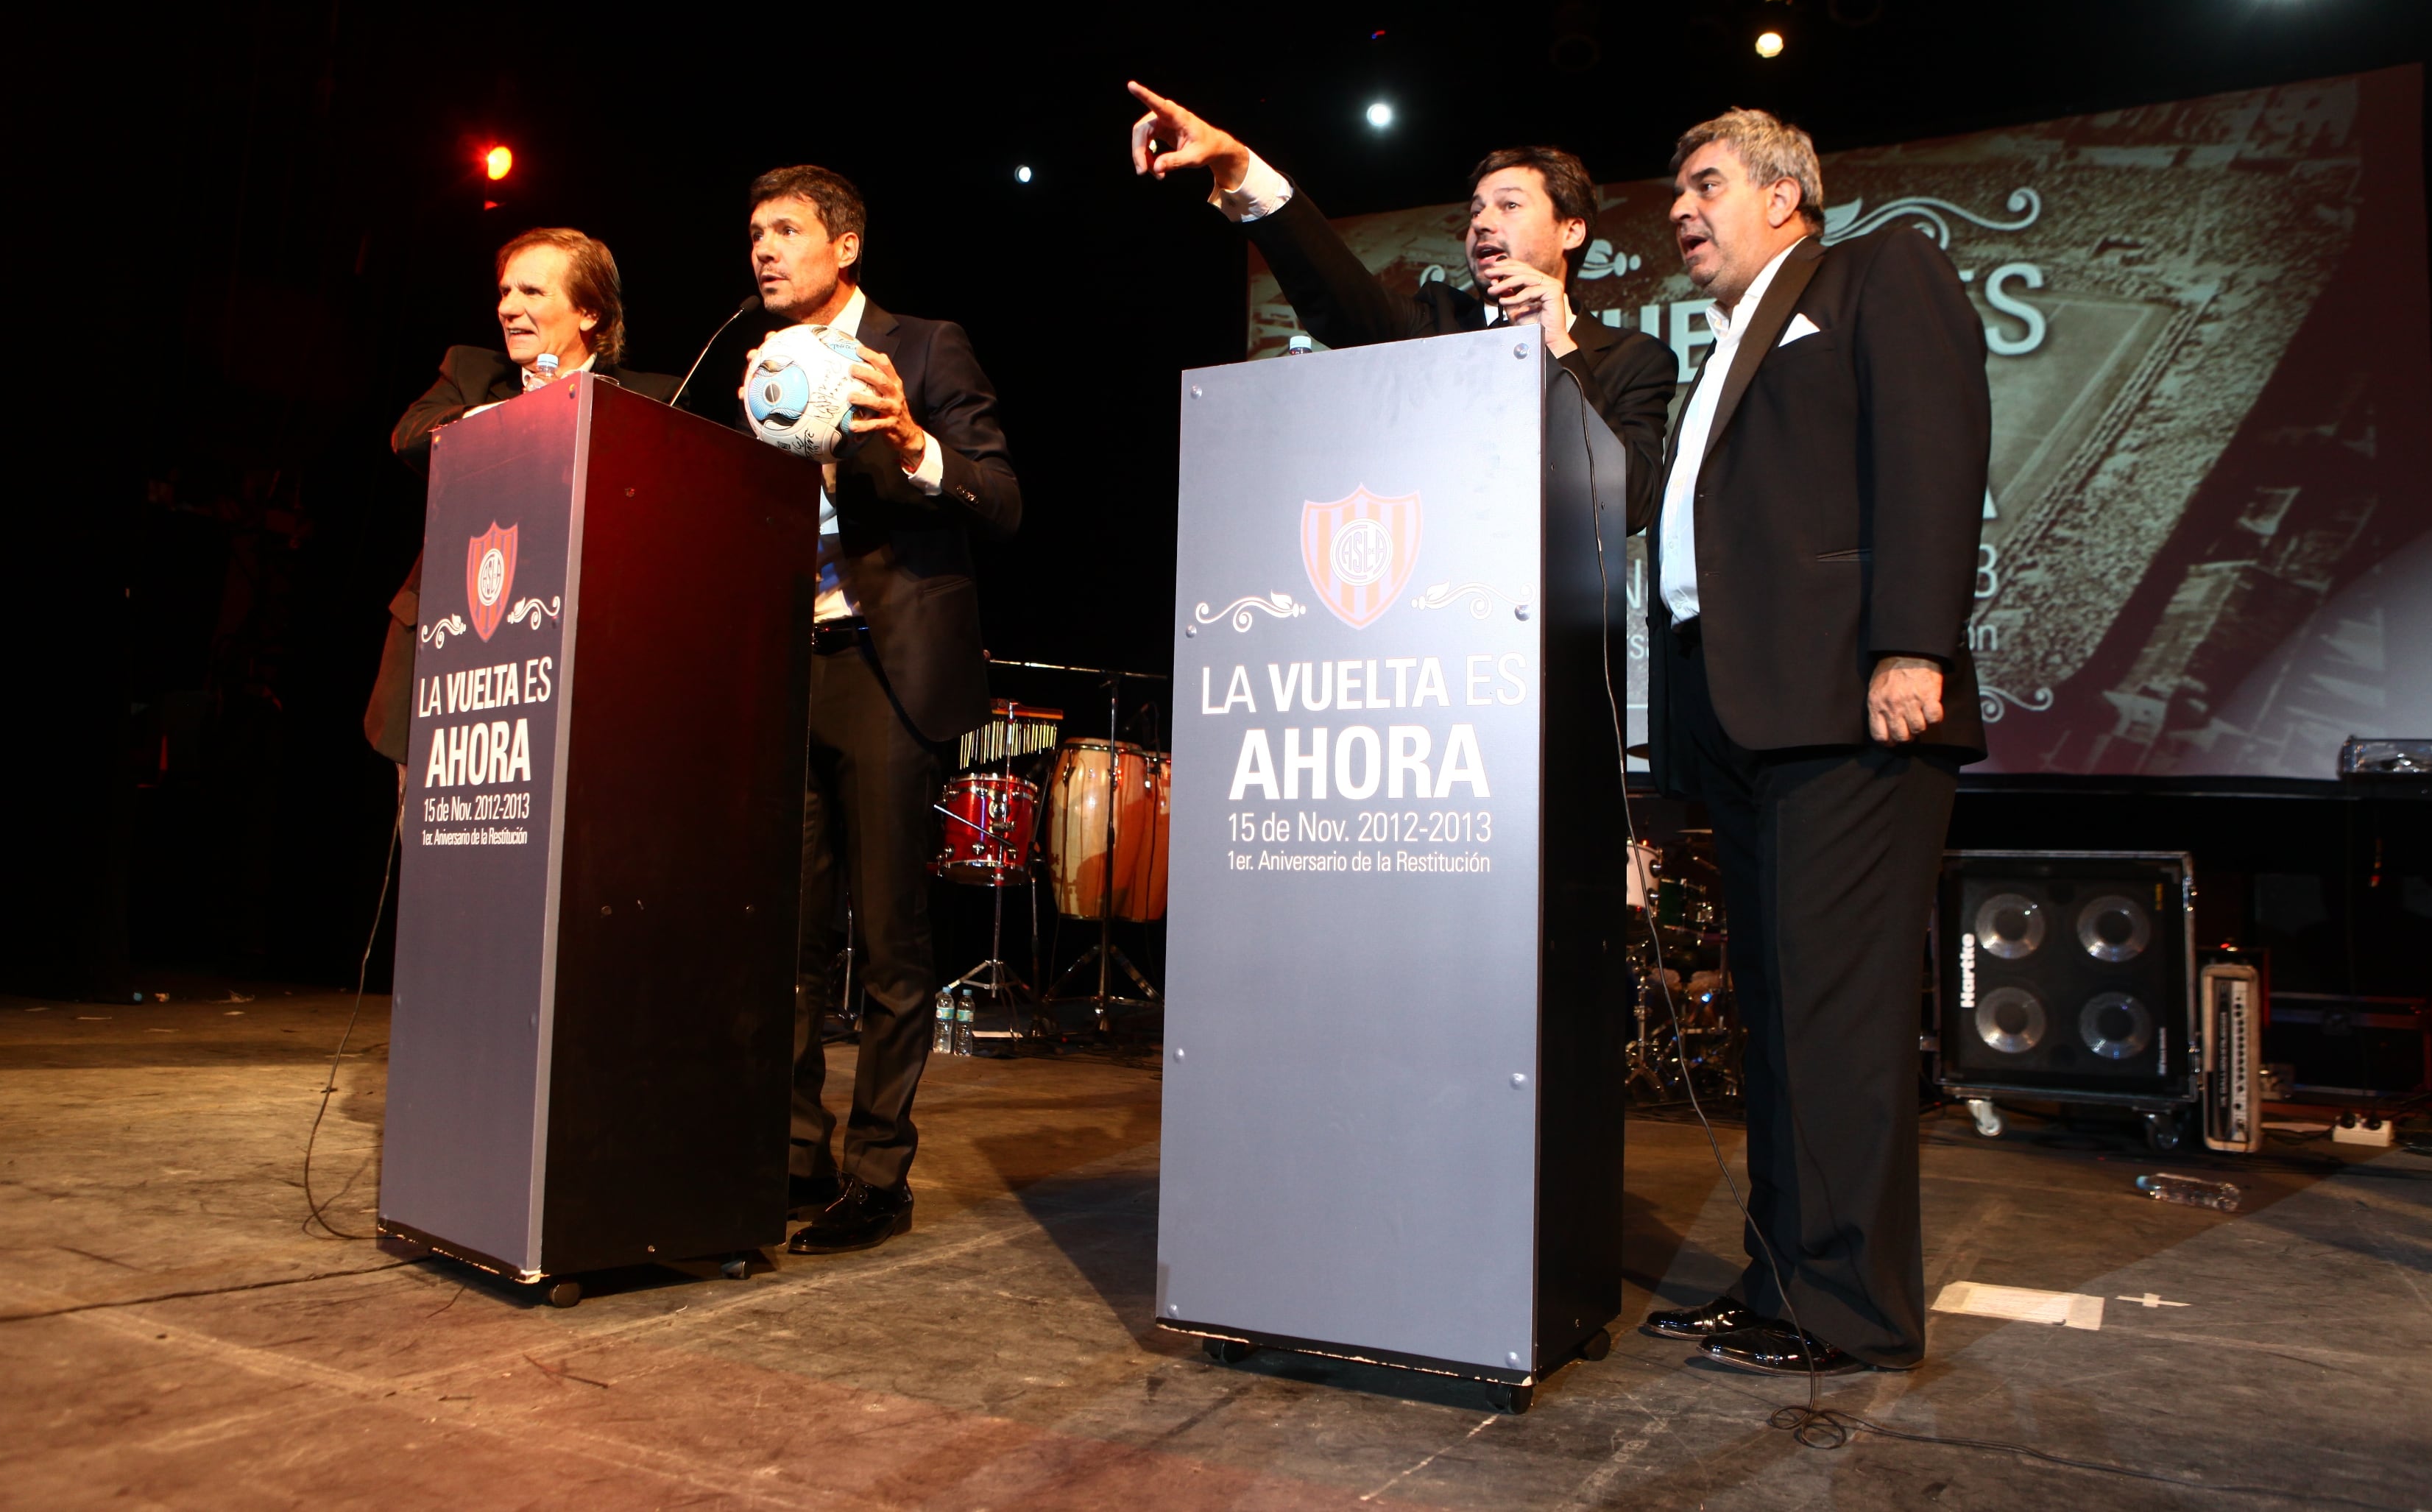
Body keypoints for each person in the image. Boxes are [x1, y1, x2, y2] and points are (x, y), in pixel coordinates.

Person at [1635, 109, 1990, 1376]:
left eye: (1706, 183)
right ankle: (1783, 1282)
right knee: (1780, 1019)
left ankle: (1852, 1310)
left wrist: (1913, 645)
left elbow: (1937, 455)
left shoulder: (1874, 271)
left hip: (1850, 700)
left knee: (1834, 1023)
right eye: (1675, 188)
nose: (1681, 207)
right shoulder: (1730, 331)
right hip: (1744, 715)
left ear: (1787, 194)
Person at [740, 165, 1021, 1255]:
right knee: (790, 939)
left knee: (891, 940)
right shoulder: (755, 364)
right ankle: (793, 1156)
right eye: (754, 232)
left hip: (883, 663)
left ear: (844, 245)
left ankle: (878, 1172)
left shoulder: (922, 347)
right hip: (782, 663)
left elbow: (999, 499)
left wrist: (910, 440)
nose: (764, 250)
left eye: (786, 230)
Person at [1125, 81, 1672, 526]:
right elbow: (1339, 299)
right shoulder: (1434, 321)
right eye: (1476, 209)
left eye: (1509, 206)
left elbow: (1632, 505)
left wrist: (1557, 344)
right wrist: (1237, 163)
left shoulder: (1633, 360)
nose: (1481, 221)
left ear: (1572, 230)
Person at [364, 228, 681, 777]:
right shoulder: (470, 375)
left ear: (589, 313)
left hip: (569, 669)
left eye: (532, 293)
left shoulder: (654, 400)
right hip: (452, 672)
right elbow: (410, 436)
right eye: (505, 292)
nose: (509, 308)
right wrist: (501, 421)